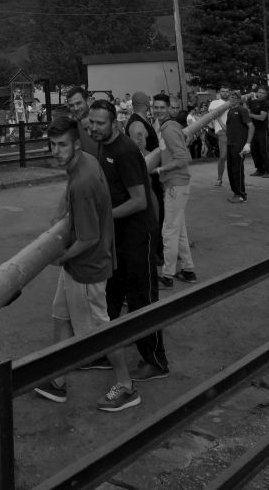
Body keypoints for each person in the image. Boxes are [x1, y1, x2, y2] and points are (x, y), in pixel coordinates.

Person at [34, 115, 140, 413]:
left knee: (98, 330)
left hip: (87, 268)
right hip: (81, 265)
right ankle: (57, 380)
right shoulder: (86, 162)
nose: (56, 151)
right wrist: (60, 214)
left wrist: (60, 257)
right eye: (52, 144)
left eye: (62, 145)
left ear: (77, 145)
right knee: (61, 316)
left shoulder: (83, 181)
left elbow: (88, 238)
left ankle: (126, 386)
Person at [87, 99, 169, 380]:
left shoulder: (124, 151)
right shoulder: (103, 146)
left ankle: (155, 361)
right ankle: (106, 351)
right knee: (111, 296)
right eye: (91, 122)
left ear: (114, 124)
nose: (94, 127)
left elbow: (139, 200)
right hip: (117, 236)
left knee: (141, 299)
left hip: (137, 236)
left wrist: (103, 217)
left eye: (100, 123)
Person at [150, 94, 196, 288]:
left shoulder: (168, 129)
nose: (158, 110)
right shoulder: (170, 127)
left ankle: (167, 276)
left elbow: (184, 158)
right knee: (180, 230)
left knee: (169, 230)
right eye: (156, 107)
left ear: (169, 109)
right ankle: (188, 270)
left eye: (162, 107)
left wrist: (161, 169)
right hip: (178, 185)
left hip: (175, 185)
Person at [126, 91, 164, 264]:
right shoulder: (137, 124)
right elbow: (139, 152)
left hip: (151, 174)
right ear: (147, 104)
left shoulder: (140, 121)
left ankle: (157, 250)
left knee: (157, 214)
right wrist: (161, 153)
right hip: (148, 177)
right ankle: (153, 253)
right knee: (154, 215)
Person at [225, 91, 253, 203]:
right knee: (231, 169)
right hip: (230, 144)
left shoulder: (242, 110)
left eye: (235, 97)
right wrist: (217, 119)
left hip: (239, 144)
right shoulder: (230, 111)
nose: (232, 98)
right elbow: (228, 128)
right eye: (231, 96)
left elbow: (251, 127)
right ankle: (236, 192)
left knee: (237, 169)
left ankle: (241, 195)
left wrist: (248, 144)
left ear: (239, 99)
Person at [66, 86, 99, 158]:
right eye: (71, 105)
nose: (76, 108)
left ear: (88, 101)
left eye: (78, 103)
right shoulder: (72, 126)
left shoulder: (103, 123)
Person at [208, 87, 231, 186]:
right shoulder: (214, 103)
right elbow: (214, 115)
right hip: (222, 131)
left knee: (234, 156)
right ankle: (219, 178)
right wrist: (227, 105)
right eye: (223, 91)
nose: (225, 93)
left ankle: (235, 179)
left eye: (227, 91)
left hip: (234, 131)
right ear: (219, 92)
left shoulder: (234, 101)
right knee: (223, 156)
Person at [249, 86, 269, 178]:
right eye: (259, 92)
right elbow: (246, 107)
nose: (261, 94)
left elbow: (262, 117)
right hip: (252, 130)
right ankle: (259, 170)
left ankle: (267, 171)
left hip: (262, 130)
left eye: (263, 93)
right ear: (257, 93)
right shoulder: (253, 102)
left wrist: (250, 114)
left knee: (263, 151)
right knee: (254, 151)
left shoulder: (265, 104)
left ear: (266, 95)